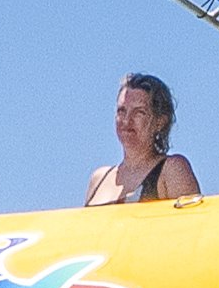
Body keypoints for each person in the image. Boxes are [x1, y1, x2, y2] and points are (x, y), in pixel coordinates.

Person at [84, 72, 202, 205]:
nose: (127, 120)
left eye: (139, 112)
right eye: (121, 111)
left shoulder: (172, 170)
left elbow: (194, 222)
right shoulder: (99, 179)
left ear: (160, 121)